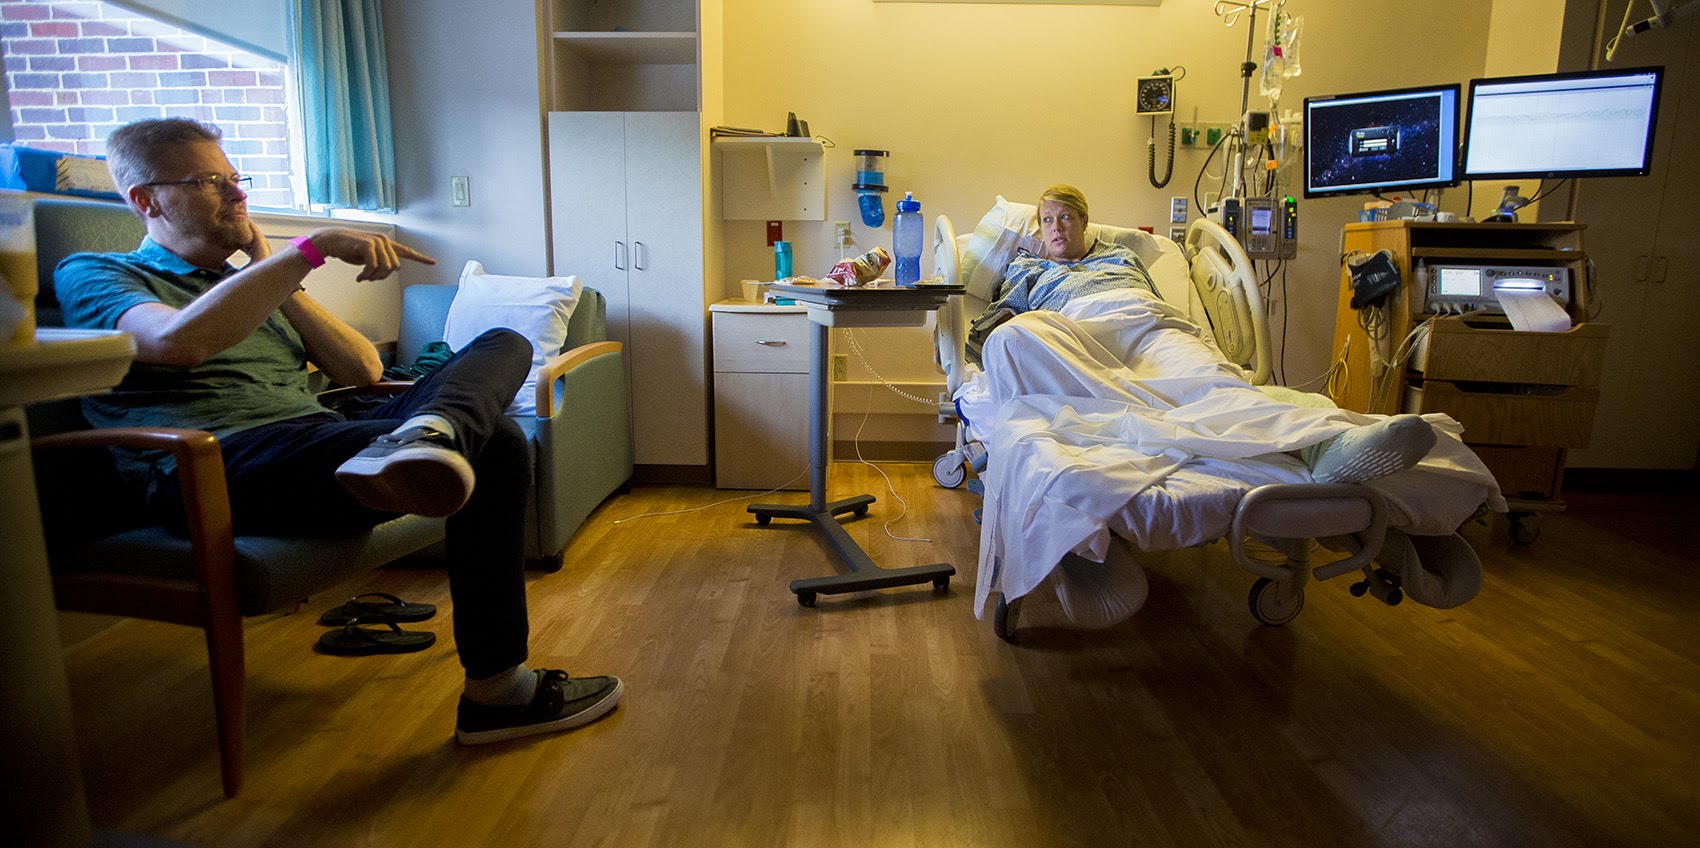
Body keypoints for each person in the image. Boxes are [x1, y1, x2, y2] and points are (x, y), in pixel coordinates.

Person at [54, 118, 622, 745]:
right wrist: (308, 249)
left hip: (314, 437)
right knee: (498, 442)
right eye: (212, 182)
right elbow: (174, 341)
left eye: (236, 180)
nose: (238, 197)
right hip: (212, 462)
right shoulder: (94, 271)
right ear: (147, 199)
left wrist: (276, 275)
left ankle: (427, 434)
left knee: (505, 344)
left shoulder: (252, 286)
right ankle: (498, 692)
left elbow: (363, 368)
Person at [971, 184, 1437, 486]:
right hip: (1074, 331)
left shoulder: (1122, 257)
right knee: (1012, 341)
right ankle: (1165, 416)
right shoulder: (1028, 266)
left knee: (1211, 379)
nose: (1057, 228)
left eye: (1066, 217)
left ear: (1085, 222)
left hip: (1145, 324)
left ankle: (1325, 444)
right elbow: (1003, 315)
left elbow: (1156, 300)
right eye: (1048, 220)